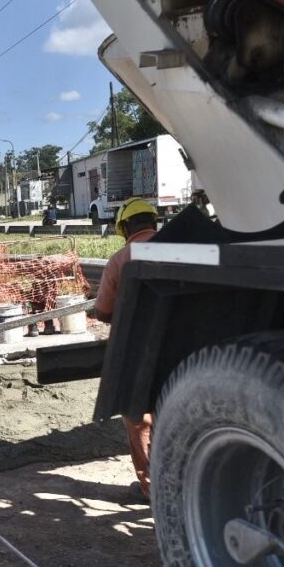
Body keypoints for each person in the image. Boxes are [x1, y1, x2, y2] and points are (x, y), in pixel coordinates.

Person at [91, 196, 159, 503]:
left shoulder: (120, 260)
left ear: (125, 227)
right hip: (190, 351)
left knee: (138, 418)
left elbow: (103, 312)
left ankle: (152, 488)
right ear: (154, 221)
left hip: (138, 352)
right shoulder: (190, 251)